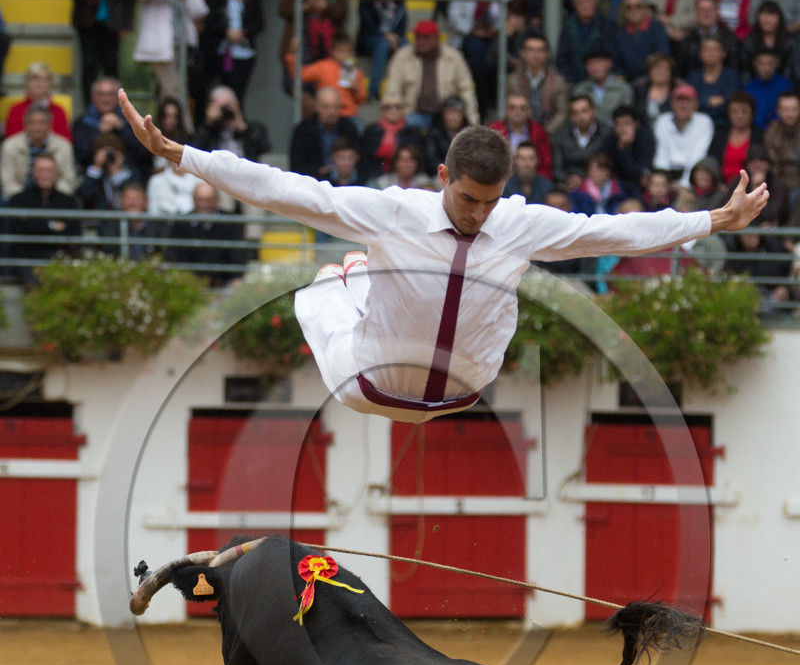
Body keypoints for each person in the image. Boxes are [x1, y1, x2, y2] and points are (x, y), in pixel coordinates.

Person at [120, 87, 769, 424]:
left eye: (490, 202)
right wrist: (184, 156)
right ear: (441, 176)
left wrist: (712, 219)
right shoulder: (396, 209)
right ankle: (351, 274)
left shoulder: (519, 222)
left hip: (464, 390)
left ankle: (354, 275)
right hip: (369, 384)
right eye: (466, 199)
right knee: (318, 284)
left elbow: (616, 232)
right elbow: (289, 191)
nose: (478, 213)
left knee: (339, 281)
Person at [132, 0, 208, 122]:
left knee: (170, 91)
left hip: (181, 46)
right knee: (174, 90)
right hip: (159, 48)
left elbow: (200, 10)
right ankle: (184, 129)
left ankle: (164, 127)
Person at [448, 0, 517, 118]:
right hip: (470, 34)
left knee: (494, 60)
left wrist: (497, 28)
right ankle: (482, 107)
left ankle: (489, 103)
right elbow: (454, 16)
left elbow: (511, 14)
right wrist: (473, 29)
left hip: (497, 36)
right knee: (478, 60)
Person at [64, 0, 135, 105]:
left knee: (111, 66)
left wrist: (125, 24)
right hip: (87, 21)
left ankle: (116, 108)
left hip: (112, 22)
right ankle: (89, 108)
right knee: (89, 66)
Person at [383, 21, 479, 128]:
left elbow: (466, 89)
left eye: (426, 37)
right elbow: (393, 90)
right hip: (412, 114)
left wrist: (472, 119)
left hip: (445, 116)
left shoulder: (454, 57)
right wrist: (393, 116)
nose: (422, 41)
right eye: (419, 37)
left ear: (437, 38)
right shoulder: (402, 57)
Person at [198, 0, 264, 108]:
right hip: (220, 52)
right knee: (219, 91)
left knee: (239, 93)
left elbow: (259, 23)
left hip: (244, 53)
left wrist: (243, 33)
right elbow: (209, 21)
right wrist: (225, 32)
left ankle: (236, 125)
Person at [3, 154, 80, 284]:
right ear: (32, 172)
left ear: (57, 173)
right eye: (41, 170)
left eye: (49, 171)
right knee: (33, 283)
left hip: (59, 258)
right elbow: (20, 231)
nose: (45, 175)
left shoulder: (68, 201)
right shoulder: (19, 200)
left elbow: (73, 232)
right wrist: (52, 225)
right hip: (27, 260)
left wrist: (35, 224)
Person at [167, 180, 249, 286]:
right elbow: (177, 255)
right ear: (193, 200)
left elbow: (238, 256)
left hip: (223, 282)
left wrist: (235, 278)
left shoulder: (230, 222)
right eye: (200, 200)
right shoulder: (182, 223)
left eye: (208, 200)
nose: (204, 204)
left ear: (216, 200)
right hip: (190, 282)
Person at [72, 75, 151, 174]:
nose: (106, 99)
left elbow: (145, 154)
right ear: (93, 97)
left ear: (118, 97)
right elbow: (80, 156)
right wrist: (99, 132)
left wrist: (122, 128)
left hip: (129, 176)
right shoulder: (82, 123)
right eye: (101, 94)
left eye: (110, 94)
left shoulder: (133, 120)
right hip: (93, 176)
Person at [285, 31, 368, 123]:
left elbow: (361, 100)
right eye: (341, 51)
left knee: (359, 128)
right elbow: (299, 74)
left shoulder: (356, 72)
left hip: (349, 115)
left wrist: (356, 89)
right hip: (326, 114)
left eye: (348, 51)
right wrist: (291, 55)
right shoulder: (323, 67)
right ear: (333, 51)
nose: (345, 55)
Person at [0, 104, 77, 199]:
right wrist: (24, 197)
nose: (37, 128)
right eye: (32, 123)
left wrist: (50, 196)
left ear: (49, 124)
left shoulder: (64, 146)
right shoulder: (10, 145)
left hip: (54, 198)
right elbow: (7, 181)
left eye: (42, 123)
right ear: (25, 124)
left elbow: (69, 181)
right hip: (19, 197)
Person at [357, 0, 408, 102]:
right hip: (369, 38)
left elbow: (403, 25)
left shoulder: (399, 0)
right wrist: (386, 36)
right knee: (383, 44)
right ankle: (373, 92)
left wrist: (395, 37)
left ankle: (407, 91)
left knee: (407, 46)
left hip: (392, 38)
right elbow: (367, 24)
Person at [289, 86, 361, 180]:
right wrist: (319, 170)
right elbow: (296, 165)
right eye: (326, 107)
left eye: (335, 107)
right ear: (317, 107)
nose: (331, 112)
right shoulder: (303, 130)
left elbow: (359, 160)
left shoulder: (349, 128)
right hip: (313, 180)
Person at [506, 33, 569, 135]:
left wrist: (544, 132)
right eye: (531, 50)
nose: (536, 54)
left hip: (549, 134)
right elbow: (506, 110)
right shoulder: (512, 80)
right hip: (517, 132)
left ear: (547, 54)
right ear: (522, 53)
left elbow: (562, 112)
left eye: (540, 50)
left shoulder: (557, 81)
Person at [653, 83, 714, 186]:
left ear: (696, 104)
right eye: (679, 100)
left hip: (692, 177)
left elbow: (697, 157)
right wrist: (663, 184)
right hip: (667, 175)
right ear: (672, 103)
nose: (682, 105)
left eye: (687, 101)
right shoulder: (662, 121)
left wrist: (684, 184)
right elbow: (661, 156)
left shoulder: (704, 122)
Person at [189, 84, 270, 160]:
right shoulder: (210, 131)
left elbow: (265, 148)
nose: (226, 111)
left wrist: (244, 129)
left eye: (229, 106)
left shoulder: (254, 128)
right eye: (222, 107)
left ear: (237, 105)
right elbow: (194, 151)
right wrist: (209, 123)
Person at [556, 0, 617, 84]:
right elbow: (562, 60)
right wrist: (570, 81)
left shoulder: (608, 26)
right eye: (580, 2)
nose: (585, 5)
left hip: (603, 85)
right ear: (574, 4)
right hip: (574, 85)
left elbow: (613, 58)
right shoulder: (567, 28)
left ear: (596, 1)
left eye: (589, 1)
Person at [487, 93, 552, 177]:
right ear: (505, 110)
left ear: (529, 111)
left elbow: (546, 164)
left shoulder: (539, 131)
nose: (517, 112)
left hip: (532, 182)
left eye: (522, 108)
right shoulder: (494, 130)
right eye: (512, 108)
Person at [3, 62, 72, 141]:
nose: (39, 83)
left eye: (44, 79)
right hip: (22, 152)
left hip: (52, 152)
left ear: (50, 82)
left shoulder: (59, 111)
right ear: (27, 82)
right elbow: (11, 142)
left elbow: (65, 142)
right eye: (35, 78)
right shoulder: (15, 110)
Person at [76, 131, 143, 209]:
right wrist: (97, 167)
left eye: (114, 152)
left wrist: (116, 171)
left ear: (122, 155)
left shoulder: (133, 175)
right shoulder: (93, 175)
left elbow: (131, 197)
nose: (109, 156)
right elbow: (84, 196)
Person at [686, 38, 741, 129]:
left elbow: (730, 104)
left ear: (723, 54)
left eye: (715, 49)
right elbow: (689, 103)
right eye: (707, 49)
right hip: (695, 126)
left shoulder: (731, 76)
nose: (710, 53)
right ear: (700, 54)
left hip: (724, 125)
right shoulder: (693, 76)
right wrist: (708, 101)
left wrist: (701, 102)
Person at [601, 104, 656, 195]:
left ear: (636, 124)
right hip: (615, 184)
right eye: (619, 124)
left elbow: (641, 172)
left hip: (638, 186)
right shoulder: (609, 140)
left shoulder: (645, 139)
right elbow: (609, 169)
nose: (623, 129)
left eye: (627, 124)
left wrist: (624, 150)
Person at [709, 91, 763, 184]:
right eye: (734, 111)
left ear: (752, 114)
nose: (739, 115)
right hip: (721, 188)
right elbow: (713, 163)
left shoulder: (760, 136)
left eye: (744, 111)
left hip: (750, 186)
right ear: (728, 114)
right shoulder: (719, 136)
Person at [615, 0, 671, 84]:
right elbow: (618, 63)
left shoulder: (656, 27)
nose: (634, 10)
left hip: (653, 80)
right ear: (625, 12)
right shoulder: (620, 33)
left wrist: (648, 78)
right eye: (629, 7)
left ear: (645, 9)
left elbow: (662, 56)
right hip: (629, 81)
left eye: (638, 6)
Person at [572, 48, 634, 126]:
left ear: (609, 63)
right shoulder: (579, 90)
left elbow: (626, 118)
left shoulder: (623, 89)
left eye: (599, 62)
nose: (595, 67)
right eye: (590, 64)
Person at [551, 94, 605, 182]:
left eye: (584, 111)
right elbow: (557, 168)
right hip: (569, 184)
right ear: (571, 116)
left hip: (598, 183)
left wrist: (584, 181)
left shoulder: (605, 134)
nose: (581, 117)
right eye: (575, 113)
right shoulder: (560, 136)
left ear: (594, 111)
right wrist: (569, 180)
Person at [744, 47, 793, 129]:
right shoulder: (749, 88)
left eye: (770, 64)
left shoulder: (785, 85)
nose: (766, 68)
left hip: (780, 130)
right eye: (762, 64)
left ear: (776, 64)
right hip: (755, 131)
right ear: (755, 64)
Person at [764, 90, 800, 191]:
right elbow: (771, 162)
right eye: (786, 110)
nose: (790, 114)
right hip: (777, 181)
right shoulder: (772, 130)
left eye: (794, 109)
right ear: (778, 110)